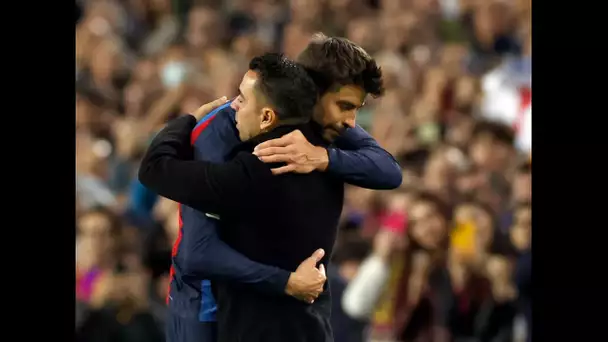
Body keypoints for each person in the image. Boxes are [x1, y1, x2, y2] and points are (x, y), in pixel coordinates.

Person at [143, 34, 400, 342]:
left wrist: (323, 158)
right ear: (312, 91)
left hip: (297, 320)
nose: (352, 121)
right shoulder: (230, 136)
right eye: (344, 105)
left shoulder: (328, 138)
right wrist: (287, 281)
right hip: (205, 310)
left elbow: (389, 171)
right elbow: (199, 251)